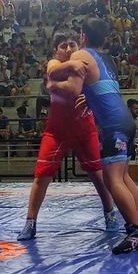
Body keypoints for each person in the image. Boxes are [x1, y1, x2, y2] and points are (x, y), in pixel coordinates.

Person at [50, 18, 138, 254]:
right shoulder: (108, 58)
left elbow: (72, 89)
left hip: (113, 126)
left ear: (83, 36)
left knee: (112, 180)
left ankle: (136, 231)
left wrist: (53, 85)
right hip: (126, 120)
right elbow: (99, 87)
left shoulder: (81, 55)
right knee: (123, 177)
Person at [17, 29, 117, 241]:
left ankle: (110, 213)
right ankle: (30, 221)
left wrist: (82, 94)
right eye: (63, 46)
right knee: (42, 175)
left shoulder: (85, 64)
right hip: (57, 130)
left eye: (72, 45)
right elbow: (53, 70)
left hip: (84, 128)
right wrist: (71, 66)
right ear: (56, 50)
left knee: (97, 175)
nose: (69, 49)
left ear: (79, 46)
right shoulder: (56, 63)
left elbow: (82, 89)